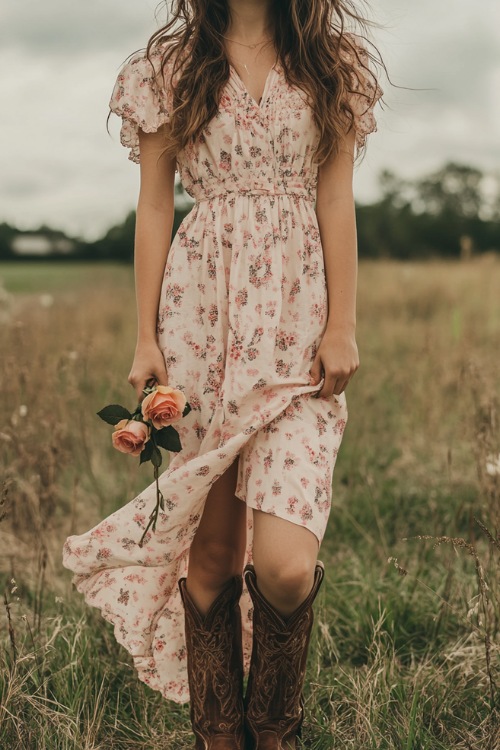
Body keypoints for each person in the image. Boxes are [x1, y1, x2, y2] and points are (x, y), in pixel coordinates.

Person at [62, 0, 384, 747]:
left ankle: (272, 727)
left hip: (299, 335)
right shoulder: (167, 70)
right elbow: (153, 206)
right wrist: (146, 338)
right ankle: (222, 735)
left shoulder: (331, 65)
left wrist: (343, 324)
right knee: (209, 552)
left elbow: (336, 198)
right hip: (201, 323)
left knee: (285, 565)